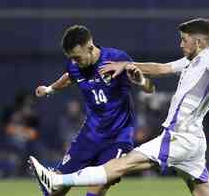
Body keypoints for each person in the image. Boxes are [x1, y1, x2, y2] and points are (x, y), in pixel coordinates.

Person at [30, 18, 209, 196]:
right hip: (193, 140)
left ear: (198, 41)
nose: (180, 43)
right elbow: (160, 68)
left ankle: (58, 181)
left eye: (184, 39)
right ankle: (59, 181)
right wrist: (128, 65)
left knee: (120, 165)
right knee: (202, 191)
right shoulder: (190, 62)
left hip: (178, 137)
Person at [32, 25, 154, 196]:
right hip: (90, 135)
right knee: (56, 185)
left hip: (118, 136)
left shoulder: (116, 59)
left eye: (77, 57)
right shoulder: (75, 65)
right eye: (71, 58)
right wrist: (49, 89)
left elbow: (150, 88)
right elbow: (69, 77)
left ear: (90, 47)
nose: (74, 62)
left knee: (99, 184)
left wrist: (141, 80)